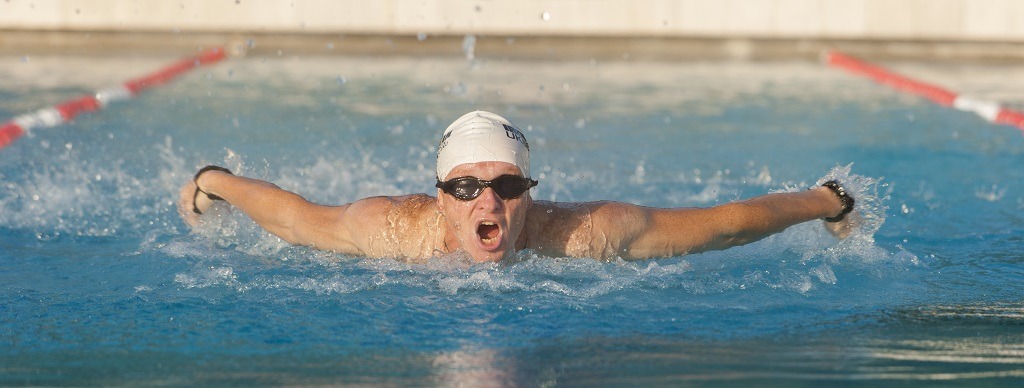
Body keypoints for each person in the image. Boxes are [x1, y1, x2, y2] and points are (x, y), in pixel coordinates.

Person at [179, 110, 857, 263]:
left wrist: (828, 201)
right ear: (440, 195)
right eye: (466, 188)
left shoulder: (586, 235)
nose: (488, 201)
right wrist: (215, 180)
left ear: (530, 190)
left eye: (506, 184)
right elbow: (296, 219)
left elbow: (725, 222)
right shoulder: (392, 230)